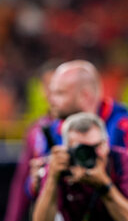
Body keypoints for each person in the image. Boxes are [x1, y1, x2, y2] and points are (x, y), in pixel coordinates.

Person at [26, 60, 128, 220]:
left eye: (59, 93)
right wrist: (40, 181)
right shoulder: (53, 130)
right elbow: (34, 190)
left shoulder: (123, 127)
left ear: (85, 96)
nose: (50, 100)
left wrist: (102, 182)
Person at [33, 112, 128, 221]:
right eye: (82, 150)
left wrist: (105, 186)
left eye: (96, 147)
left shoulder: (123, 161)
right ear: (67, 150)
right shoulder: (60, 165)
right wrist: (52, 178)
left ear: (106, 144)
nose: (92, 155)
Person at [4, 60, 59, 221]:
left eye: (58, 86)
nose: (53, 92)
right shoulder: (35, 130)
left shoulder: (85, 127)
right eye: (48, 86)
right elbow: (21, 179)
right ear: (42, 89)